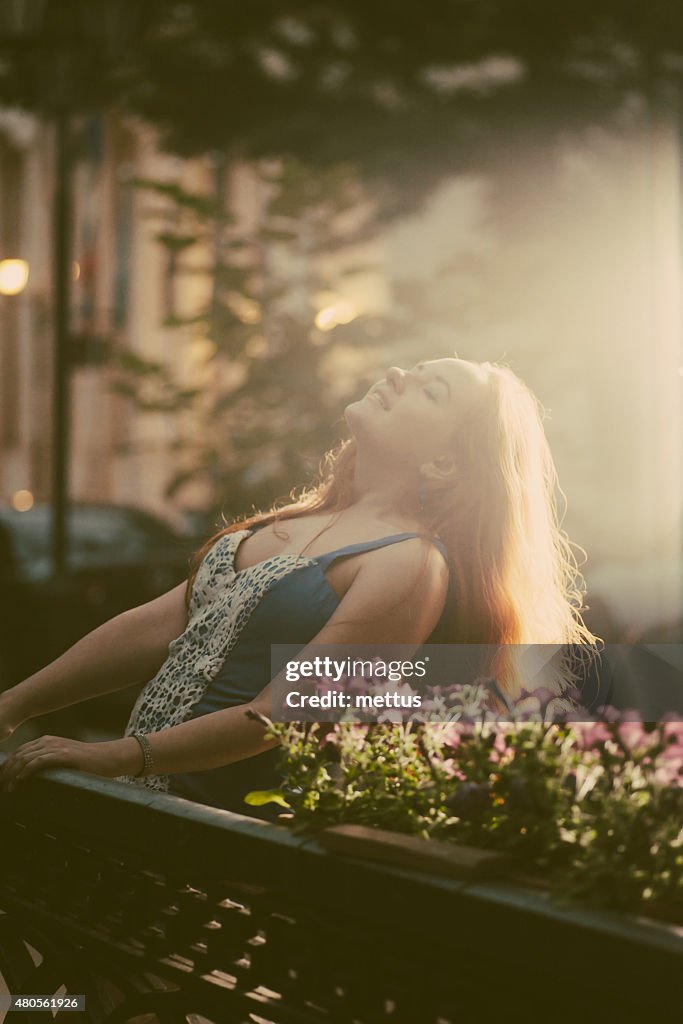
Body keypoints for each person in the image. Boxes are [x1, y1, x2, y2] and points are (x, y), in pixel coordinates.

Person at [0, 357, 599, 817]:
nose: (395, 375)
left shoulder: (409, 563)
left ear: (445, 463)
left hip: (211, 830)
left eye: (429, 389)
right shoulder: (295, 519)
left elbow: (282, 711)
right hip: (137, 800)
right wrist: (16, 704)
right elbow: (156, 623)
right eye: (410, 370)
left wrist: (113, 755)